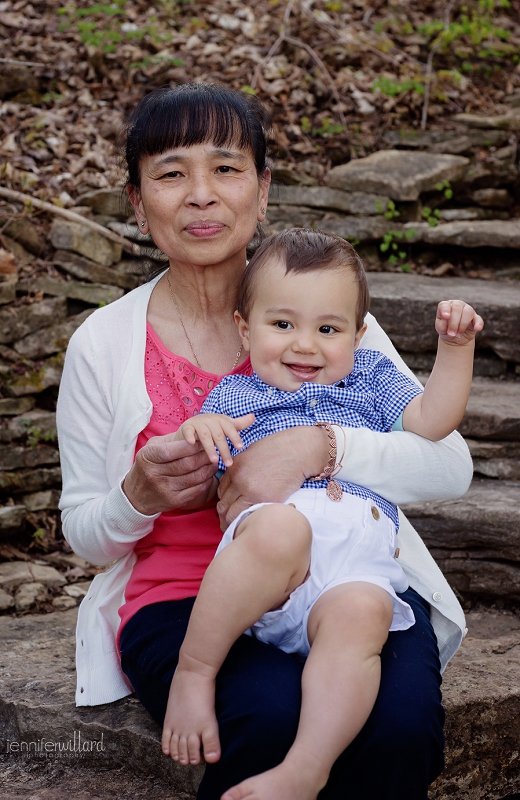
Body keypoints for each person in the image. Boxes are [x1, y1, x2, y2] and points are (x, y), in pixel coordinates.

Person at [56, 83, 473, 800]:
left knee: (400, 726)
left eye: (225, 168)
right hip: (185, 598)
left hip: (342, 580)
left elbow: (451, 464)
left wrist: (322, 447)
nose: (200, 195)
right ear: (136, 201)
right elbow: (86, 535)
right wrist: (139, 496)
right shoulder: (103, 343)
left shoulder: (325, 312)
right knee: (269, 714)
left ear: (262, 187)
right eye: (170, 173)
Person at [163, 228, 483, 800]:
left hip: (354, 561)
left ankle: (305, 769)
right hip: (274, 568)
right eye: (282, 325)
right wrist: (199, 430)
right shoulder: (235, 396)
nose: (305, 345)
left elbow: (434, 424)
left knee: (366, 610)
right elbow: (199, 464)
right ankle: (195, 672)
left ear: (360, 337)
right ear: (245, 328)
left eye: (328, 330)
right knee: (283, 529)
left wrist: (455, 352)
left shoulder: (375, 381)